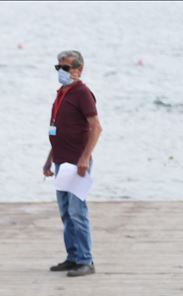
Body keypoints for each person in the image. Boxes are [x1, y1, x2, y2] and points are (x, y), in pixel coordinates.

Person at [43, 50, 102, 277]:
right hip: (61, 162)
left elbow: (96, 127)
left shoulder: (82, 93)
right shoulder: (62, 93)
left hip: (77, 163)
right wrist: (48, 160)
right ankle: (73, 256)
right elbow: (58, 132)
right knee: (66, 212)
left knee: (78, 211)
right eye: (58, 67)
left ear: (78, 70)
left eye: (65, 68)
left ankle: (86, 260)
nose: (61, 71)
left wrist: (85, 157)